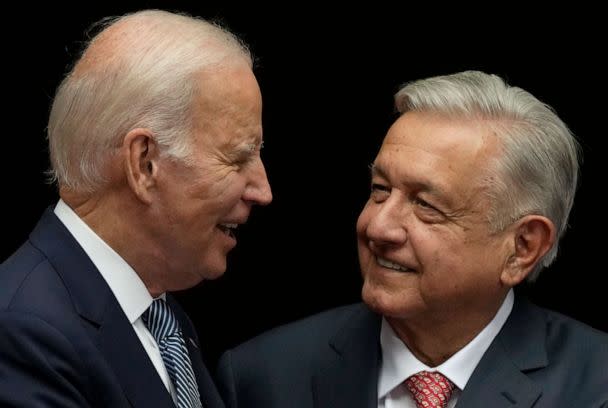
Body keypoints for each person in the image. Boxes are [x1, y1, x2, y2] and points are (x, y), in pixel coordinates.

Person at [216, 71, 608, 407]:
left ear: (523, 247)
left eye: (425, 205)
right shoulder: (265, 378)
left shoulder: (595, 385)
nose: (377, 227)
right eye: (380, 189)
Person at [0, 9, 271, 408]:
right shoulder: (24, 333)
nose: (262, 190)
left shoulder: (160, 316)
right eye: (237, 158)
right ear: (144, 164)